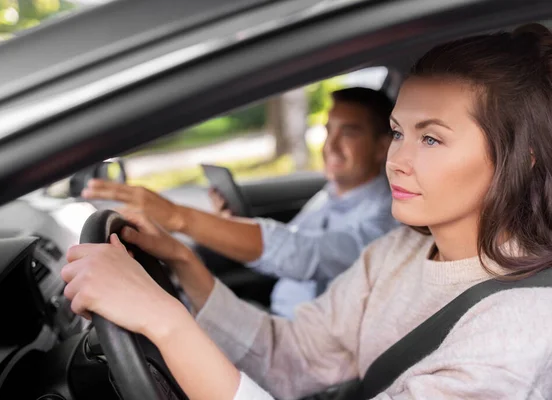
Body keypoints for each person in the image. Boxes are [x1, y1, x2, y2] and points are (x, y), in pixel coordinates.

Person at [62, 23, 552, 399]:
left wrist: (164, 321)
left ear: (521, 156)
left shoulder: (523, 325)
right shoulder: (397, 252)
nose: (397, 160)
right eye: (399, 132)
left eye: (430, 138)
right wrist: (184, 265)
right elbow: (290, 356)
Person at [81, 87, 398, 318]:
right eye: (329, 131)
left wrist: (179, 218)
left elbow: (303, 254)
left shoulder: (386, 220)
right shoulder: (329, 194)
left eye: (350, 134)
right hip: (277, 321)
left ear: (382, 146)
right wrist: (230, 227)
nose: (331, 146)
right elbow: (290, 243)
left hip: (309, 350)